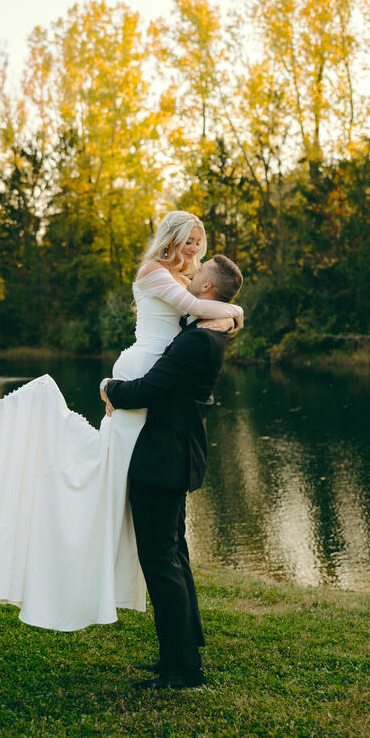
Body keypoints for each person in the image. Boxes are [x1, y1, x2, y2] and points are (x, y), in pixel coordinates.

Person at [0, 211, 243, 632]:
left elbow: (200, 311)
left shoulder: (187, 281)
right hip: (144, 372)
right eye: (189, 241)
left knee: (154, 525)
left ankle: (173, 639)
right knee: (120, 484)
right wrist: (236, 312)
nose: (193, 249)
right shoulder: (154, 272)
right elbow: (197, 308)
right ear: (171, 239)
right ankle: (77, 527)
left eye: (199, 242)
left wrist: (227, 316)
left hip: (156, 387)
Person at [100, 253, 243, 690]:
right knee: (172, 556)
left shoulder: (200, 341)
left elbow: (153, 388)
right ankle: (177, 656)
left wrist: (110, 388)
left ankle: (183, 670)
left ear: (206, 289)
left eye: (198, 272)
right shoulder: (201, 330)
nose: (191, 271)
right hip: (170, 456)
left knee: (161, 562)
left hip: (164, 460)